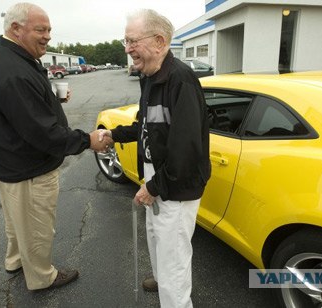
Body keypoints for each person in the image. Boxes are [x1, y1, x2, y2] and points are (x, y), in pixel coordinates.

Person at [0, 3, 112, 291]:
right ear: (15, 29)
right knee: (36, 226)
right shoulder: (14, 70)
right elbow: (43, 133)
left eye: (49, 30)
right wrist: (87, 140)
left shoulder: (10, 58)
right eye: (41, 29)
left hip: (10, 164)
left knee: (17, 222)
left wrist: (53, 99)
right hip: (27, 167)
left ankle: (15, 261)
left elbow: (24, 107)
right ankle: (41, 277)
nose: (48, 36)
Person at [100, 9, 211, 308]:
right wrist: (114, 135)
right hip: (159, 176)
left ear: (160, 41)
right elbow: (145, 125)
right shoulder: (150, 77)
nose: (127, 48)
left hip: (175, 184)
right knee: (155, 236)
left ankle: (174, 297)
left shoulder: (180, 81)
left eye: (132, 40)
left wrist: (154, 186)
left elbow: (185, 151)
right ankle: (162, 279)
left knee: (173, 253)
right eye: (126, 40)